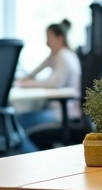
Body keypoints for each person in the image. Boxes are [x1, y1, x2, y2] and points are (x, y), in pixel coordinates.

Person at [16, 20, 82, 152]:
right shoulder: (56, 55)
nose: (46, 42)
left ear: (59, 38)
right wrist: (22, 79)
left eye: (49, 38)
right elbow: (35, 72)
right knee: (18, 121)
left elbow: (54, 83)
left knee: (17, 122)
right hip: (59, 110)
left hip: (63, 112)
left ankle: (32, 156)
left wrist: (26, 84)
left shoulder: (64, 56)